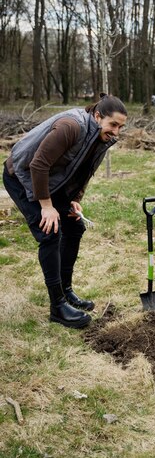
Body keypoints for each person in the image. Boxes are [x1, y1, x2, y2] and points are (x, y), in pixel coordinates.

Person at [3, 93, 127, 329]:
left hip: (49, 181)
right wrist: (46, 207)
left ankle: (66, 291)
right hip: (21, 177)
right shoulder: (71, 126)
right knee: (50, 232)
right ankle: (57, 306)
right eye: (113, 124)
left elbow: (85, 171)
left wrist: (74, 199)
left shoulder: (101, 137)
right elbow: (38, 164)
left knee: (74, 226)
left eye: (121, 127)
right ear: (98, 115)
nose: (117, 132)